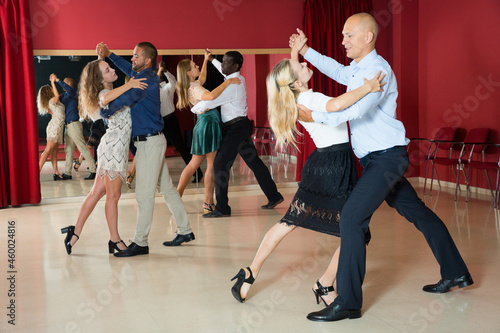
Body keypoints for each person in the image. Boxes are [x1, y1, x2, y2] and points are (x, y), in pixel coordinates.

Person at [291, 13, 473, 322]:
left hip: (387, 159)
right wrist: (306, 52)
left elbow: (356, 108)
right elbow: (335, 69)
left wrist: (314, 117)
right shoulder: (359, 69)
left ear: (368, 37)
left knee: (351, 217)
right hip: (379, 159)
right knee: (420, 214)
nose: (343, 40)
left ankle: (348, 301)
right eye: (343, 35)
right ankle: (456, 273)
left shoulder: (378, 70)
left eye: (349, 35)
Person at [230, 41, 384, 303]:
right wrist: (367, 87)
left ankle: (250, 271)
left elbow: (292, 77)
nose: (304, 63)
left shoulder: (296, 96)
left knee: (290, 221)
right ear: (295, 82)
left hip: (325, 163)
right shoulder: (310, 98)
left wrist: (295, 52)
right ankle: (324, 284)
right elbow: (336, 106)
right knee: (357, 230)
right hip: (333, 166)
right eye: (300, 65)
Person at [97, 42, 195, 256]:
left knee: (143, 195)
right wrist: (110, 54)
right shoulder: (144, 75)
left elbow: (124, 99)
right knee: (168, 189)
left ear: (148, 60)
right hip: (151, 141)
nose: (132, 59)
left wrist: (104, 112)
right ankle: (185, 230)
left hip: (149, 144)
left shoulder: (145, 81)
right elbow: (126, 68)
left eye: (136, 56)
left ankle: (140, 242)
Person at [60, 59, 148, 255]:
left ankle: (74, 233)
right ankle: (115, 240)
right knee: (113, 197)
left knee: (96, 194)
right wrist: (131, 83)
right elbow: (105, 99)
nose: (113, 70)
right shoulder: (103, 93)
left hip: (111, 148)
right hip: (113, 150)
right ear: (99, 80)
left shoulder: (111, 91)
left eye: (110, 67)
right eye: (107, 70)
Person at [191, 51, 284, 217]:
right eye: (222, 61)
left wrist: (194, 108)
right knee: (254, 162)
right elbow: (222, 68)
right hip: (240, 126)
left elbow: (210, 101)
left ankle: (222, 208)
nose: (222, 64)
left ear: (234, 66)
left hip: (236, 129)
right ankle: (274, 196)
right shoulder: (234, 77)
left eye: (225, 62)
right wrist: (211, 59)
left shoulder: (233, 84)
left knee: (220, 164)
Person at [176, 50, 241, 213]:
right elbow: (211, 96)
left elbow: (202, 78)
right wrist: (228, 82)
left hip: (204, 124)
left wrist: (206, 60)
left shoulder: (193, 84)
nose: (198, 66)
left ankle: (176, 197)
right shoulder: (194, 88)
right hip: (208, 124)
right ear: (189, 73)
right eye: (194, 66)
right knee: (211, 165)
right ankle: (207, 202)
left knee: (193, 164)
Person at [157, 61, 204, 184]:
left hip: (170, 121)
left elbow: (172, 80)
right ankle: (158, 178)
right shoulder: (152, 91)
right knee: (157, 149)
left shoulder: (167, 87)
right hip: (159, 122)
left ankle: (197, 172)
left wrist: (164, 70)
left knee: (181, 148)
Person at [53, 74, 96, 180]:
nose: (63, 84)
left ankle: (94, 170)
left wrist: (57, 80)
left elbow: (69, 90)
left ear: (69, 84)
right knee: (68, 150)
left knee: (82, 147)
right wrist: (52, 83)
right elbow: (56, 98)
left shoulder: (73, 93)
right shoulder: (65, 96)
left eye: (64, 82)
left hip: (74, 124)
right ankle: (67, 173)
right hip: (68, 126)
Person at [37, 74, 66, 180]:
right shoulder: (52, 101)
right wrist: (53, 82)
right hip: (55, 127)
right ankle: (37, 172)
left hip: (57, 127)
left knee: (55, 151)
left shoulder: (52, 103)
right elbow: (57, 96)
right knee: (48, 150)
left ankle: (56, 172)